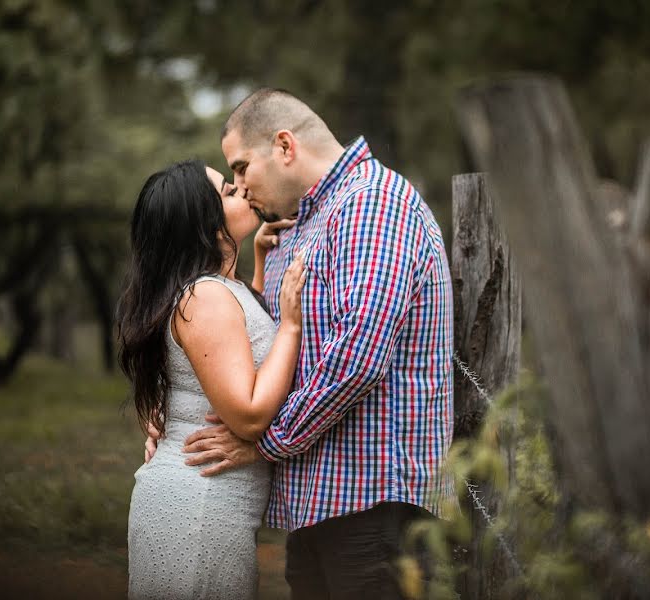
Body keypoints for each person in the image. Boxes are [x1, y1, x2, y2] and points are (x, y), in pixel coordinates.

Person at [170, 88, 456, 599]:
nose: (238, 186)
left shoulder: (372, 205)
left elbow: (356, 360)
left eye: (240, 168)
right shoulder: (300, 226)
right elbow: (256, 352)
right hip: (319, 507)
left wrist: (264, 443)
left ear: (284, 146)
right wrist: (171, 414)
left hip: (373, 507)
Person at [117, 158, 307, 599]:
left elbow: (246, 339)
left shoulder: (216, 289)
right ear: (201, 222)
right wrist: (293, 325)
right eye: (226, 190)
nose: (241, 189)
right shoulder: (205, 297)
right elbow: (249, 414)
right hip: (197, 509)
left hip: (202, 504)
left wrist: (258, 260)